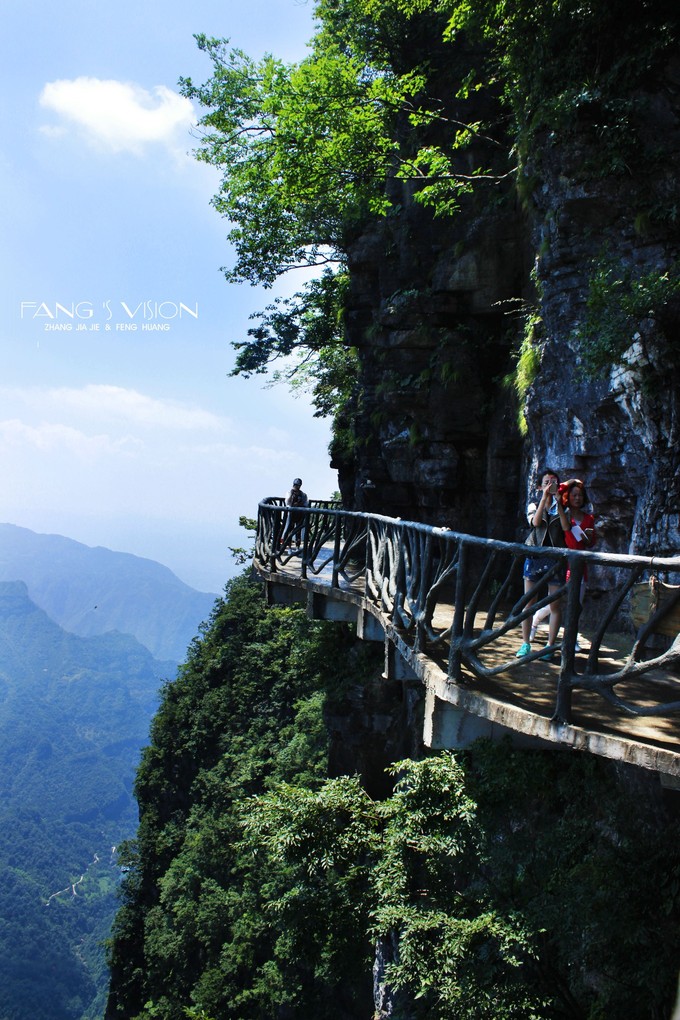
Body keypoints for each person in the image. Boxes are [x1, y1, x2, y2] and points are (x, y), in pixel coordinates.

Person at [530, 479, 596, 650]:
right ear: (568, 497)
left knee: (576, 604)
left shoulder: (589, 518)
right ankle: (536, 621)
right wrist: (572, 481)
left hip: (580, 566)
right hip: (563, 564)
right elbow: (555, 488)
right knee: (555, 603)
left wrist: (588, 538)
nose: (577, 498)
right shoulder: (563, 514)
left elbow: (591, 542)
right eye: (574, 495)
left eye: (580, 495)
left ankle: (571, 639)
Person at [516, 469, 570, 660]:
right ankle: (525, 643)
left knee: (555, 604)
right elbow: (536, 522)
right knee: (528, 602)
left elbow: (565, 528)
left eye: (553, 482)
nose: (550, 485)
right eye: (546, 482)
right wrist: (544, 500)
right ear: (539, 486)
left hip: (555, 560)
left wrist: (559, 503)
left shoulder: (563, 506)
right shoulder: (533, 504)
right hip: (534, 557)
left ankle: (549, 646)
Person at [282, 477, 309, 549]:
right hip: (291, 514)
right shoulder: (289, 492)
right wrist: (291, 494)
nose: (297, 487)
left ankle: (297, 546)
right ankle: (288, 547)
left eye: (298, 485)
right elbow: (287, 502)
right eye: (296, 485)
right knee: (289, 530)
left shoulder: (303, 494)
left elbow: (305, 504)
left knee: (298, 531)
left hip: (299, 514)